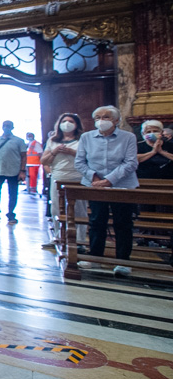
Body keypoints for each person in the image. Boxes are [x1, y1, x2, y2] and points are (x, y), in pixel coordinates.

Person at [74, 105, 139, 276]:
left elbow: (131, 162)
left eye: (106, 117)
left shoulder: (128, 137)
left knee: (123, 223)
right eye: (98, 117)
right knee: (96, 221)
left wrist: (109, 180)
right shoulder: (87, 137)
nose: (101, 120)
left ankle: (123, 262)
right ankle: (95, 258)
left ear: (116, 120)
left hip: (123, 185)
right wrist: (94, 178)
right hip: (95, 186)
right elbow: (80, 162)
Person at [40, 113, 88, 251]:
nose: (67, 123)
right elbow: (44, 160)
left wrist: (72, 152)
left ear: (76, 124)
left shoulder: (83, 140)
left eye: (70, 121)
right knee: (56, 207)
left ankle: (79, 241)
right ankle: (58, 236)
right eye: (64, 121)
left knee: (79, 209)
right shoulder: (53, 140)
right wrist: (54, 152)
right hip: (58, 176)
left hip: (78, 176)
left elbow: (90, 158)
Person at [0, 121, 27, 224]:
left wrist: (22, 171)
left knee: (12, 193)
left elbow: (23, 156)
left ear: (12, 127)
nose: (6, 127)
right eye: (4, 125)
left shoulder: (19, 141)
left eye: (8, 126)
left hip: (13, 170)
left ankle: (11, 214)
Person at [25, 132, 44, 196]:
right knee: (29, 176)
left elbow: (40, 153)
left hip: (34, 163)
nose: (28, 137)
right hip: (29, 163)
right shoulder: (29, 144)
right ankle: (29, 187)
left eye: (29, 136)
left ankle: (33, 188)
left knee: (33, 176)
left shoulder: (36, 144)